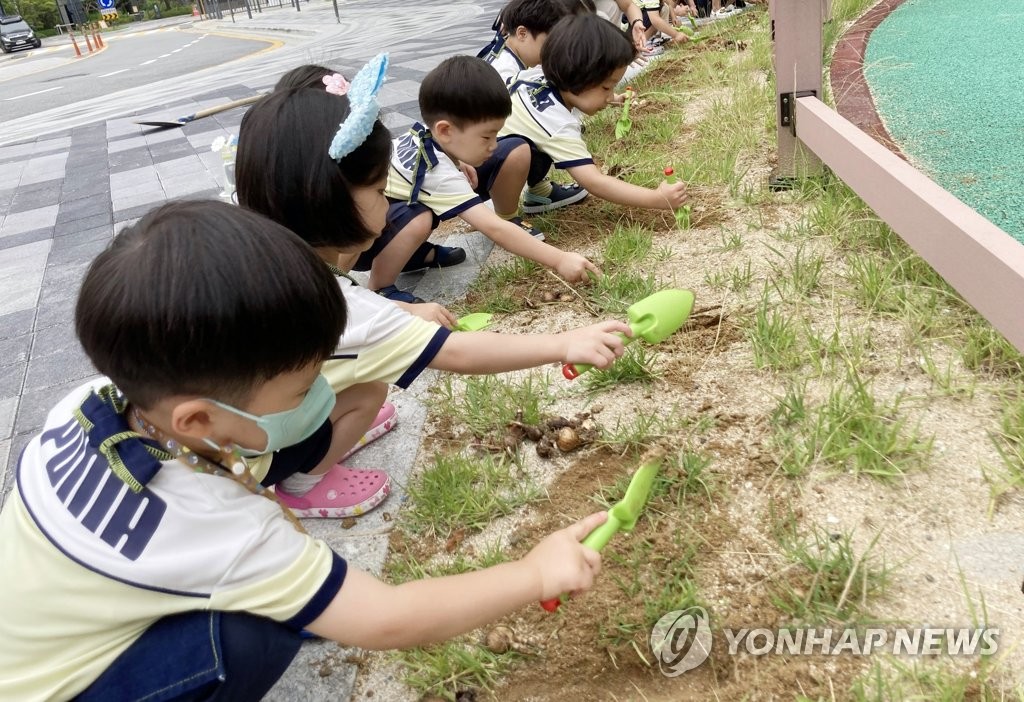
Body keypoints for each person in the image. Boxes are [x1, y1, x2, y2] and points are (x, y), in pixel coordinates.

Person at [0, 199, 608, 701]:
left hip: (35, 645)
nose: (321, 391)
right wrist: (533, 572)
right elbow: (385, 619)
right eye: (302, 385)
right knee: (262, 625)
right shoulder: (217, 531)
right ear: (198, 418)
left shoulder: (84, 405)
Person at [235, 55, 632, 517]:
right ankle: (303, 482)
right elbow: (456, 353)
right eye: (381, 191)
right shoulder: (325, 302)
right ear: (327, 198)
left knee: (361, 380)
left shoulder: (271, 254)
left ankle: (316, 429)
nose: (387, 204)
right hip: (253, 456)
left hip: (237, 423)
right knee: (371, 392)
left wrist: (402, 312)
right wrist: (565, 343)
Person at [357, 55, 600, 302]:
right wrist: (559, 259)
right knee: (419, 217)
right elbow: (495, 229)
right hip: (361, 242)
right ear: (445, 130)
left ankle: (413, 255)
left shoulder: (434, 138)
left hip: (382, 219)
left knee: (513, 147)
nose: (493, 145)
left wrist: (457, 160)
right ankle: (381, 286)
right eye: (486, 137)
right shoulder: (437, 173)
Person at [499, 15, 688, 216]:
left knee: (530, 141)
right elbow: (594, 182)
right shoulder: (557, 122)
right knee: (518, 151)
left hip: (485, 150)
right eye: (606, 87)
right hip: (481, 170)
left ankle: (539, 192)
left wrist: (615, 98)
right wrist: (657, 198)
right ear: (576, 76)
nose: (608, 96)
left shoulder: (538, 77)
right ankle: (507, 218)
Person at [478, 0, 596, 85]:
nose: (554, 52)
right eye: (550, 44)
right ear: (522, 34)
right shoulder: (505, 72)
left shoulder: (507, 48)